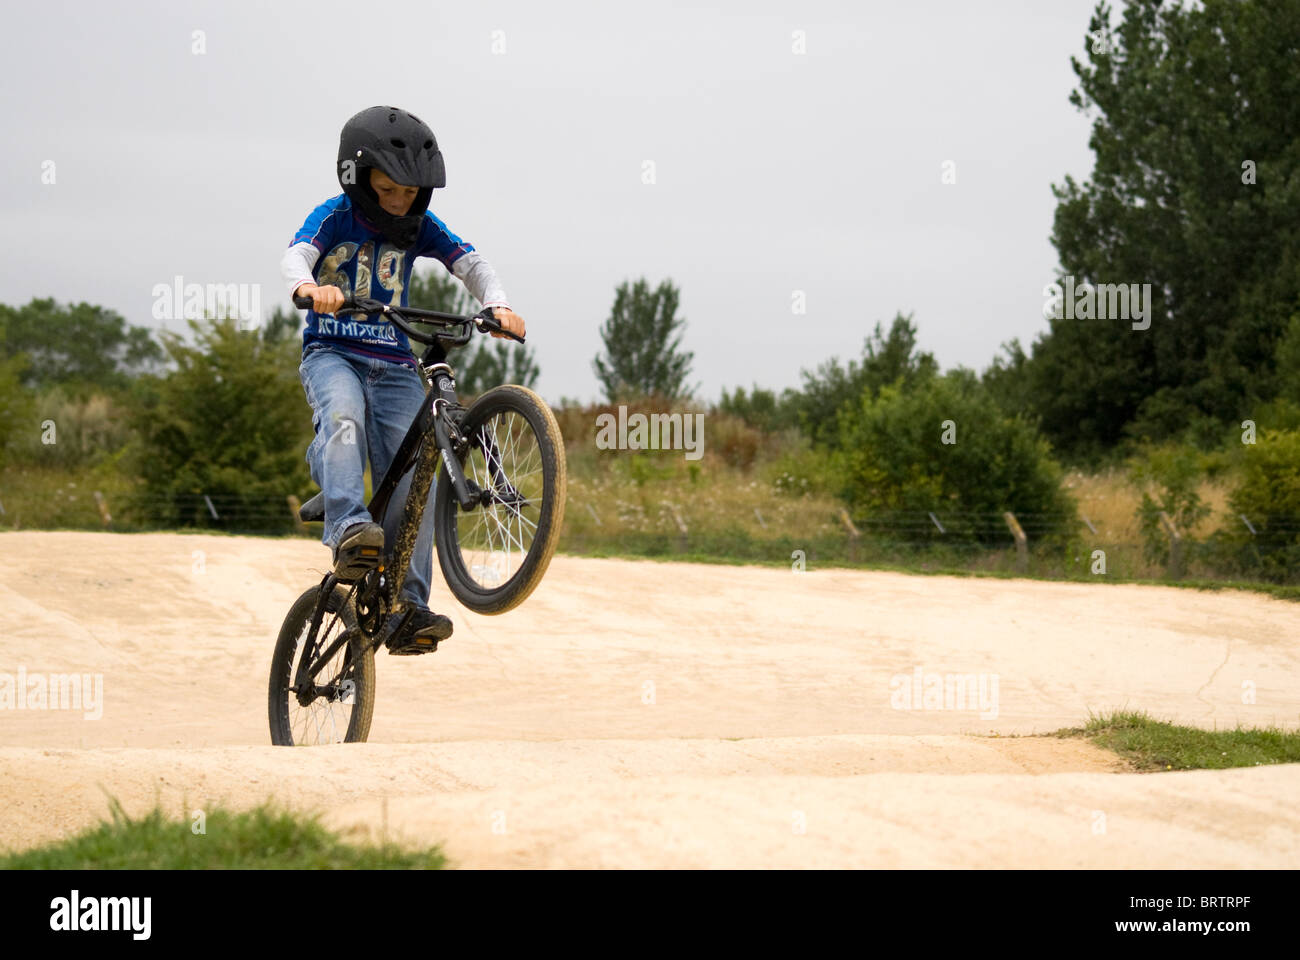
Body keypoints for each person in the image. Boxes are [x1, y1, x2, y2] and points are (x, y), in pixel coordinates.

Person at [281, 105, 525, 654]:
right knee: (342, 418)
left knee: (419, 473)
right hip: (334, 352)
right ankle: (347, 529)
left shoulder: (420, 227)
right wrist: (308, 289)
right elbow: (297, 255)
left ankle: (408, 606)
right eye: (388, 189)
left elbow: (470, 263)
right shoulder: (335, 216)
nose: (399, 201)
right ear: (357, 178)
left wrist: (499, 304)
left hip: (393, 365)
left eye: (410, 192)